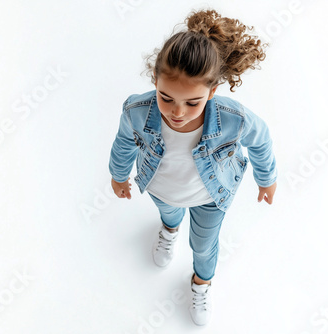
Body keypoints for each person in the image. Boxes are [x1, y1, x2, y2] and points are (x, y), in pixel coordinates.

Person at [108, 8, 277, 326]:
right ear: (155, 80)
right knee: (169, 215)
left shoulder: (233, 119)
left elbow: (261, 139)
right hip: (161, 190)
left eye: (192, 102)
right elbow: (123, 142)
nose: (177, 112)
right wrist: (118, 175)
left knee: (204, 244)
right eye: (166, 97)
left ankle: (201, 282)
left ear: (212, 92)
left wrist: (267, 179)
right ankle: (169, 230)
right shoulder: (136, 111)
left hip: (209, 198)